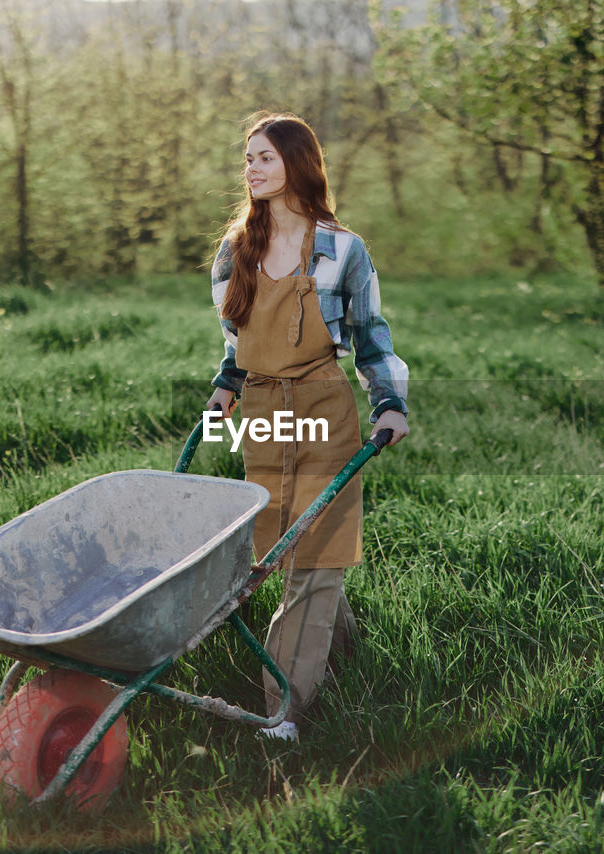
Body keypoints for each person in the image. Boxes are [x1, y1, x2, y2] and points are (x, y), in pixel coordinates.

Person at [205, 112, 409, 742]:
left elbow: (371, 335)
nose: (251, 169)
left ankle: (284, 711)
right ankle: (343, 650)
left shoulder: (343, 249)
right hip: (264, 413)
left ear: (297, 161)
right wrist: (226, 386)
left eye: (263, 156)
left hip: (323, 406)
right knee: (287, 545)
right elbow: (235, 336)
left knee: (316, 556)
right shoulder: (236, 250)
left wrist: (389, 402)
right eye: (247, 159)